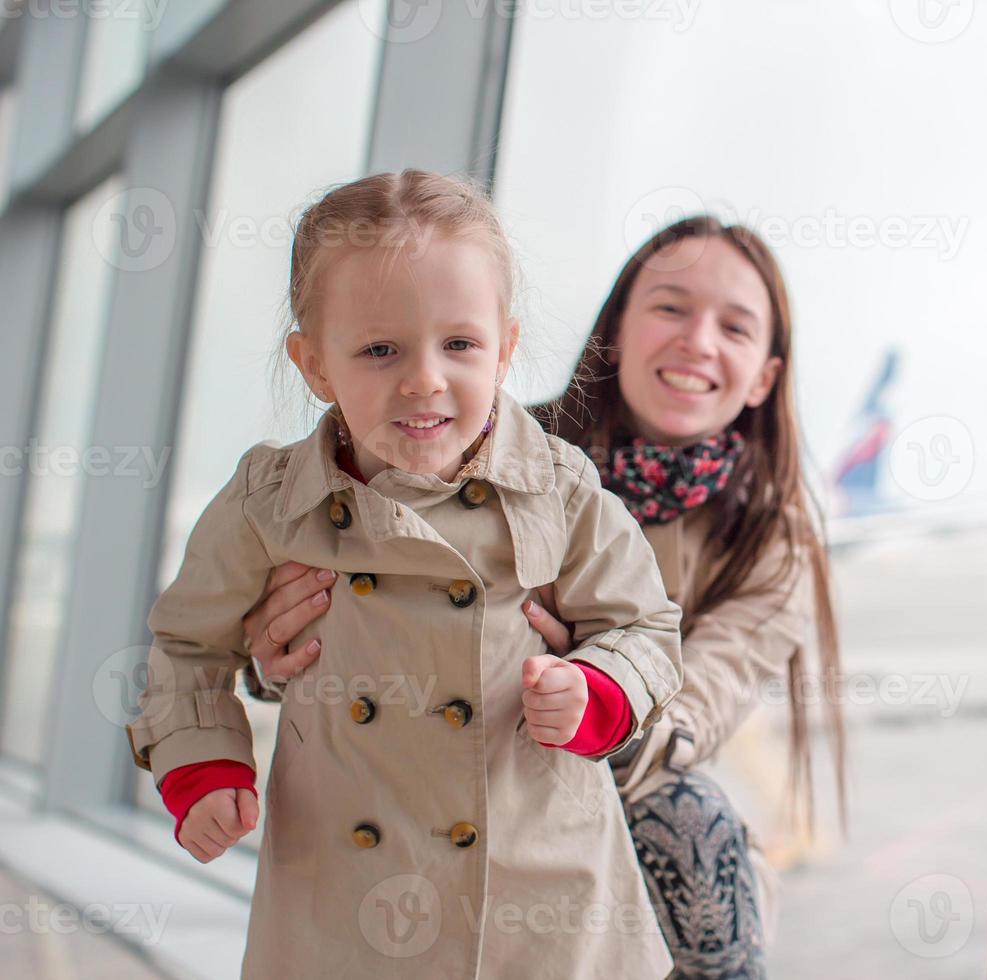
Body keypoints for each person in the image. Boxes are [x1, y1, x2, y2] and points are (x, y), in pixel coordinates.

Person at [246, 215, 848, 979]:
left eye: (735, 327)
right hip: (433, 788)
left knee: (689, 819)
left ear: (762, 375)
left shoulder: (774, 537)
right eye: (670, 307)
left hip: (607, 788)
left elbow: (695, 711)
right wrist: (270, 656)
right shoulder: (487, 449)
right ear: (617, 330)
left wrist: (601, 683)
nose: (699, 340)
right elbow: (355, 609)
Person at [125, 169, 683, 980]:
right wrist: (203, 766)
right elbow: (185, 646)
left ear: (506, 350)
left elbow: (645, 625)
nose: (424, 379)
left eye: (459, 344)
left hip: (538, 880)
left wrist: (600, 689)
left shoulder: (560, 487)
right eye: (380, 349)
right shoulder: (268, 502)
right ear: (315, 365)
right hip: (347, 889)